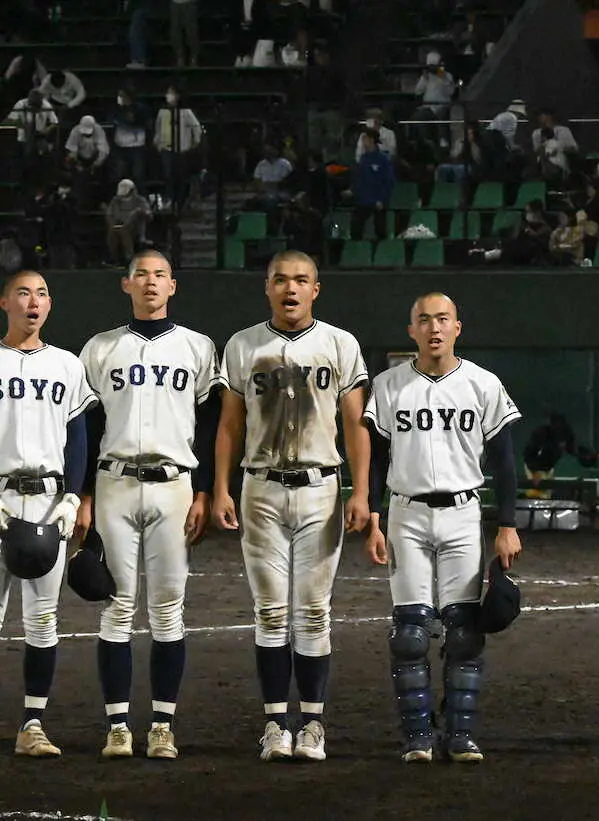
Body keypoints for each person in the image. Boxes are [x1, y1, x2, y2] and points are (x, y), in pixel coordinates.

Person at [213, 250, 371, 762]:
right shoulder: (242, 345)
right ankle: (276, 723)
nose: (291, 288)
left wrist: (362, 491)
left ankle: (313, 725)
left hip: (320, 485)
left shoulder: (339, 344)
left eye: (301, 280)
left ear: (315, 289)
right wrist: (219, 488)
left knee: (314, 612)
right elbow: (230, 425)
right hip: (259, 487)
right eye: (281, 280)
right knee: (270, 612)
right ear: (267, 287)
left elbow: (355, 425)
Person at [362, 293, 522, 764]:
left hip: (463, 514)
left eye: (443, 319)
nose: (434, 328)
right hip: (406, 514)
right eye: (424, 320)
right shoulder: (389, 385)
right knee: (410, 632)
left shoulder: (482, 383)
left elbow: (506, 461)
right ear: (411, 330)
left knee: (464, 631)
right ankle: (416, 736)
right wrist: (373, 516)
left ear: (458, 327)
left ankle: (460, 734)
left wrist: (507, 524)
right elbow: (374, 462)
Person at [77, 249, 223, 760]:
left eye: (160, 275)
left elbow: (210, 424)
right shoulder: (99, 348)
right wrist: (84, 496)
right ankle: (118, 725)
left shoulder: (198, 347)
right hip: (113, 481)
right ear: (126, 285)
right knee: (116, 609)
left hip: (175, 486)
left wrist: (204, 489)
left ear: (173, 286)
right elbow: (86, 427)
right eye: (142, 275)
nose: (151, 283)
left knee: (168, 612)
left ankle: (162, 724)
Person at [0, 270, 97, 757]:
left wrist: (73, 497)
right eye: (23, 293)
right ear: (5, 302)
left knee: (43, 620)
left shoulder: (67, 365)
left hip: (46, 501)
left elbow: (77, 438)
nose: (32, 302)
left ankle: (32, 724)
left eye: (40, 294)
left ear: (50, 305)